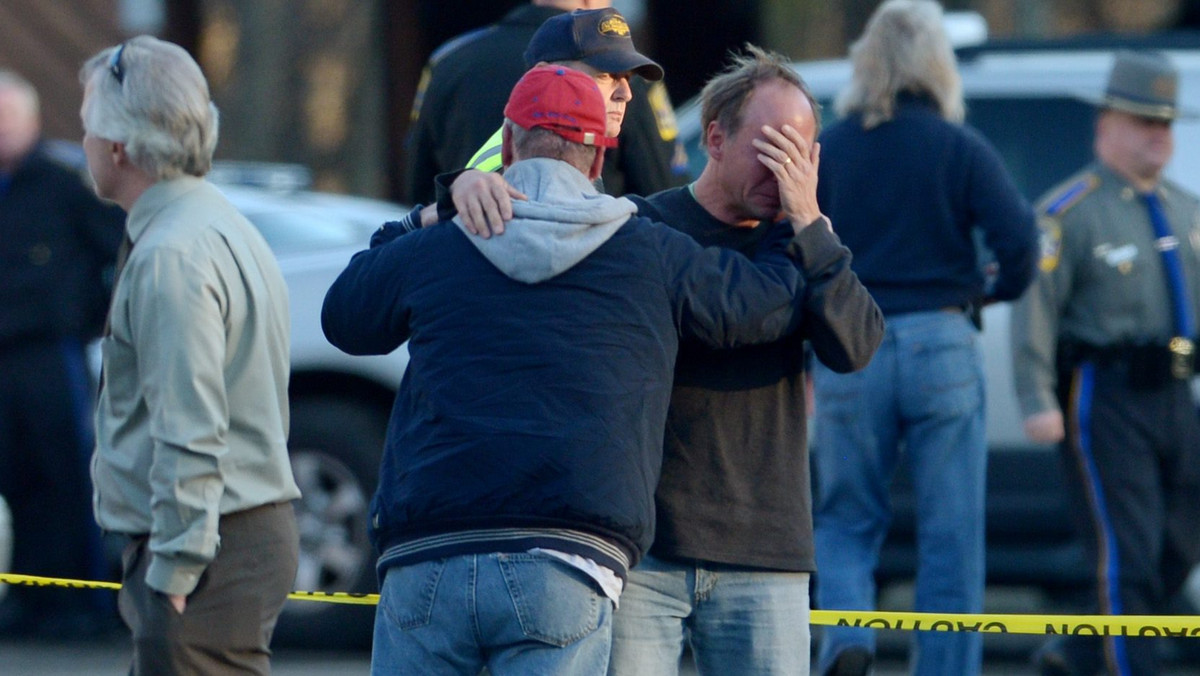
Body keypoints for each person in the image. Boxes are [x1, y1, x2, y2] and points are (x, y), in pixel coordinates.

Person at [322, 63, 851, 675]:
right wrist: (797, 223)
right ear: (599, 161)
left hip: (428, 553)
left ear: (510, 144)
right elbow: (760, 307)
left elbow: (345, 313)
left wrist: (432, 212)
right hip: (566, 560)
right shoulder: (648, 249)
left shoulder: (442, 243)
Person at [810, 2, 1038, 675]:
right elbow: (1019, 240)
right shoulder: (959, 146)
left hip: (853, 346)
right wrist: (987, 290)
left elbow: (800, 242)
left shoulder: (838, 147)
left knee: (846, 517)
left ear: (865, 62)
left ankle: (847, 635)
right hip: (943, 340)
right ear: (938, 64)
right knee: (952, 534)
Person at [81, 36, 301, 674]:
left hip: (204, 551)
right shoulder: (215, 223)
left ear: (118, 146)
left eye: (88, 127)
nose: (84, 145)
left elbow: (190, 426)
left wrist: (175, 568)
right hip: (224, 539)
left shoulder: (171, 255)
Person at [1011, 50, 1200, 676]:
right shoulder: (1070, 211)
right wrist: (1038, 399)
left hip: (1176, 397)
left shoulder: (1185, 209)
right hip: (1107, 395)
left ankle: (1080, 652)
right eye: (1145, 121)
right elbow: (1035, 308)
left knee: (1182, 541)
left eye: (1166, 123)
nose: (1159, 136)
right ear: (1106, 125)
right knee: (1128, 556)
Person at [0, 69, 125, 638]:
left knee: (66, 477)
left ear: (29, 122)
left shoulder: (61, 184)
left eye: (8, 120)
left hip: (49, 355)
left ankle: (78, 601)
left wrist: (86, 315)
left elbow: (119, 248)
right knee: (16, 480)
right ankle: (26, 595)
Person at [404, 3, 687, 206]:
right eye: (605, 76)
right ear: (545, 76)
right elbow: (664, 191)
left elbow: (419, 188)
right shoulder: (606, 59)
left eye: (625, 78)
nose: (625, 93)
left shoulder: (449, 60)